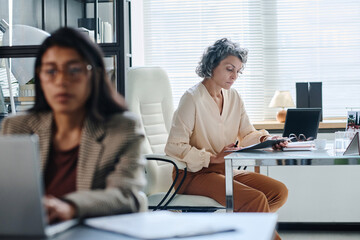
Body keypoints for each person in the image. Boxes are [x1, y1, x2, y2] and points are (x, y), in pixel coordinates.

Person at [1, 27, 147, 223]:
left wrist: (70, 207)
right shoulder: (16, 127)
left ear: (94, 74)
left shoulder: (123, 128)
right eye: (51, 71)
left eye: (74, 70)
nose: (61, 81)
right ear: (40, 77)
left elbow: (125, 196)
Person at [165, 38, 288, 240]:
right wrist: (213, 158)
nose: (234, 76)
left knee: (278, 192)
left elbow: (247, 133)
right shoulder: (192, 98)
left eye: (238, 71)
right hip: (191, 175)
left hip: (224, 169)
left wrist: (268, 138)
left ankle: (242, 229)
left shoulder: (234, 97)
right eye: (230, 69)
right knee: (254, 199)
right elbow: (174, 146)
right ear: (212, 65)